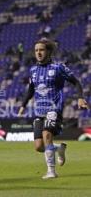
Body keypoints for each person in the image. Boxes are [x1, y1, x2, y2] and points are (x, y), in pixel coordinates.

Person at [18, 38, 89, 179]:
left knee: (47, 135)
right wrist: (23, 105)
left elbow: (76, 82)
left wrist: (80, 97)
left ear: (49, 51)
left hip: (54, 109)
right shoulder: (33, 70)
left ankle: (51, 171)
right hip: (39, 111)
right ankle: (59, 148)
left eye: (41, 50)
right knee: (39, 146)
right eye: (36, 50)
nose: (38, 53)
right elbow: (31, 89)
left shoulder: (58, 68)